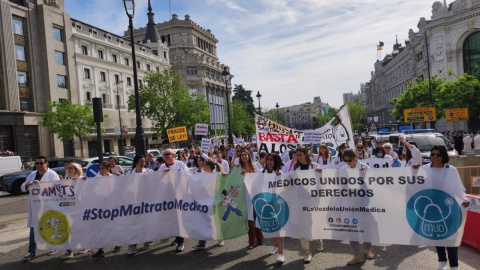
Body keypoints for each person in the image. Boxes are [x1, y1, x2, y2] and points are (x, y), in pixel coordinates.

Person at [423, 145, 469, 270]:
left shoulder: (451, 170)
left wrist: (465, 199)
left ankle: (454, 265)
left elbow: (459, 188)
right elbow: (414, 183)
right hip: (432, 208)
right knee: (438, 235)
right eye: (432, 154)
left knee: (451, 237)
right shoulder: (424, 169)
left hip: (450, 207)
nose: (435, 157)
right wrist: (413, 169)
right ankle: (442, 262)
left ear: (443, 156)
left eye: (438, 155)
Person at [21, 156, 61, 261]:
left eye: (40, 163)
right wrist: (28, 184)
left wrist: (42, 185)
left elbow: (57, 188)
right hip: (35, 206)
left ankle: (53, 247)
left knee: (50, 225)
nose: (38, 165)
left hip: (48, 205)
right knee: (34, 228)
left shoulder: (52, 174)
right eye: (37, 163)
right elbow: (23, 186)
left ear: (46, 163)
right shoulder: (32, 174)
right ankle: (31, 251)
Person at [340, 149, 374, 265]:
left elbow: (372, 182)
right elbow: (341, 186)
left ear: (356, 157)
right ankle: (356, 255)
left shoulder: (365, 167)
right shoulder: (344, 169)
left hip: (363, 202)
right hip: (349, 202)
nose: (348, 163)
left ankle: (368, 249)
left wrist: (361, 176)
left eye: (350, 160)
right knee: (351, 228)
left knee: (366, 226)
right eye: (346, 161)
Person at [294, 147, 323, 263]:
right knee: (303, 224)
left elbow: (323, 181)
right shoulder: (295, 167)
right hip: (301, 199)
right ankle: (307, 251)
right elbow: (290, 180)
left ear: (306, 155)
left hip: (313, 198)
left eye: (300, 155)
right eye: (297, 155)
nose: (298, 157)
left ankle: (318, 239)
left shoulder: (315, 166)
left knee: (314, 221)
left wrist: (321, 173)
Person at [158, 149, 190, 252]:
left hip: (179, 196)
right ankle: (177, 238)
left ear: (173, 155)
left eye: (168, 154)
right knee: (172, 219)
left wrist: (181, 173)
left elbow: (188, 174)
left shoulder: (180, 164)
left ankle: (180, 242)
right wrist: (163, 173)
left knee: (179, 219)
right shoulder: (162, 167)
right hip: (168, 198)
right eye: (164, 155)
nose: (166, 156)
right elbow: (157, 180)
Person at [192, 158, 227, 250]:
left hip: (215, 201)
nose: (202, 166)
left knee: (216, 221)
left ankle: (220, 239)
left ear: (207, 166)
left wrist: (224, 175)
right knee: (203, 221)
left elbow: (227, 180)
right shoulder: (201, 175)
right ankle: (202, 242)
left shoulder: (217, 175)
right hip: (204, 202)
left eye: (203, 165)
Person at [91, 161, 120, 259]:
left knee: (112, 227)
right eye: (100, 168)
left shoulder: (114, 178)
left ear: (108, 168)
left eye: (103, 168)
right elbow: (94, 192)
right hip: (101, 207)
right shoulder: (97, 179)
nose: (100, 170)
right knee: (100, 228)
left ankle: (117, 243)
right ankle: (101, 250)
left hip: (111, 207)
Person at [60, 162, 89, 259]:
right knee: (67, 230)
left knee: (79, 229)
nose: (68, 170)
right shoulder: (66, 180)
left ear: (76, 170)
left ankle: (84, 245)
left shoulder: (81, 179)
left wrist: (85, 180)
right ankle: (69, 251)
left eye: (71, 168)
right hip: (68, 208)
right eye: (68, 168)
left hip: (79, 208)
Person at [125, 155, 152, 256]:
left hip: (146, 202)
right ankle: (132, 246)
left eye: (144, 162)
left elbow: (159, 177)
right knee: (133, 224)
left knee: (145, 222)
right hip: (133, 202)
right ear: (136, 162)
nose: (143, 163)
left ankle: (146, 240)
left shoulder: (149, 172)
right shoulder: (128, 173)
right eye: (141, 161)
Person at [262, 153, 285, 263]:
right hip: (267, 203)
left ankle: (281, 254)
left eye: (271, 160)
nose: (269, 162)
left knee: (279, 229)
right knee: (272, 227)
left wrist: (281, 177)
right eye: (268, 160)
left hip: (278, 203)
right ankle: (276, 246)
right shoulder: (263, 173)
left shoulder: (280, 173)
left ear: (275, 161)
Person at [237, 148, 262, 249]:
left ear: (248, 156)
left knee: (257, 216)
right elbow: (236, 181)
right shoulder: (238, 168)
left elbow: (257, 179)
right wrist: (241, 174)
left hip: (255, 193)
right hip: (245, 195)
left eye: (245, 155)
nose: (244, 156)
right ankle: (252, 241)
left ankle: (260, 238)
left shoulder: (254, 166)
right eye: (242, 155)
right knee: (250, 218)